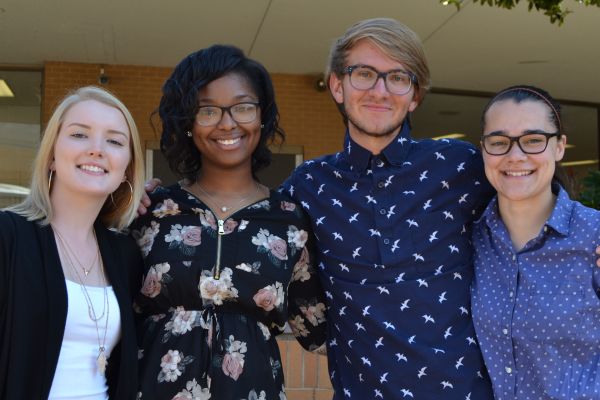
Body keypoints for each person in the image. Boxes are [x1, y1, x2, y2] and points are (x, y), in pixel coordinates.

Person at [280, 18, 496, 399]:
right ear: (337, 86)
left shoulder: (462, 166)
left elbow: (538, 220)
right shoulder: (308, 185)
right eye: (364, 73)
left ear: (415, 95)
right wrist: (141, 200)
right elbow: (247, 234)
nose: (380, 90)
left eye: (397, 77)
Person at [130, 45, 326, 400]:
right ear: (187, 123)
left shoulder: (289, 219)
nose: (227, 122)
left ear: (262, 116)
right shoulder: (152, 212)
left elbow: (317, 331)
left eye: (243, 106)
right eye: (207, 110)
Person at [0, 86, 145, 399]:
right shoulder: (7, 236)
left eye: (115, 140)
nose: (97, 149)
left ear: (126, 171)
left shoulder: (125, 254)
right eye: (80, 134)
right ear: (52, 155)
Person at [471, 85, 600, 399]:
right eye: (499, 142)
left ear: (559, 147)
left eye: (533, 140)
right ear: (484, 149)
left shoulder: (593, 236)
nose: (515, 156)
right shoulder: (468, 241)